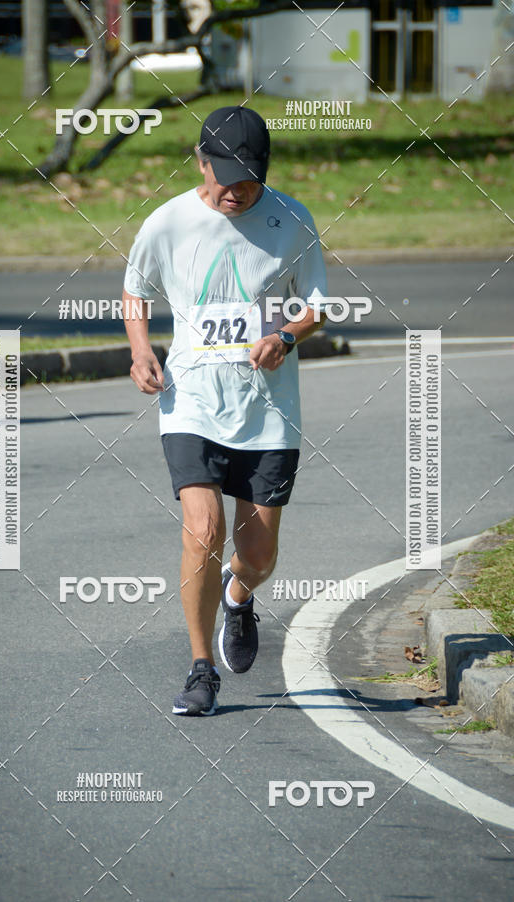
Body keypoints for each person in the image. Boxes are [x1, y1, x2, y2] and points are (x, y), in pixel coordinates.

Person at [122, 106, 328, 715]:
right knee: (202, 531)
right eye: (227, 177)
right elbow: (136, 290)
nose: (237, 192)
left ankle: (238, 597)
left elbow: (315, 305)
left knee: (258, 556)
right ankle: (200, 669)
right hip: (190, 403)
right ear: (201, 160)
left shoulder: (291, 219)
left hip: (269, 410)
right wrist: (140, 352)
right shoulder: (168, 222)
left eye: (250, 180)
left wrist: (286, 338)